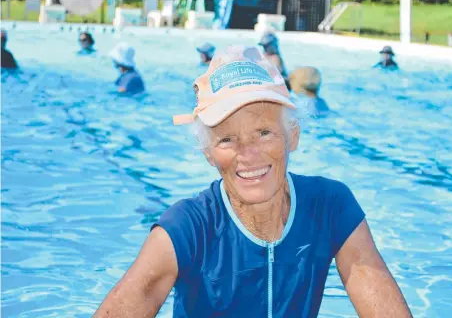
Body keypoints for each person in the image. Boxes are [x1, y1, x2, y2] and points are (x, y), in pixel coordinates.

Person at [94, 46, 412, 318]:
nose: (248, 154)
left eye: (264, 132)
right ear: (208, 153)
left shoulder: (331, 207)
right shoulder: (187, 229)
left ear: (293, 136)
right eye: (227, 139)